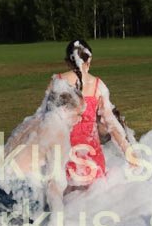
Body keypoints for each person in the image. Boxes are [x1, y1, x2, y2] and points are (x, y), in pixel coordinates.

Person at [0, 77, 86, 226]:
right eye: (79, 114)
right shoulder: (59, 132)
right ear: (65, 109)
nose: (80, 119)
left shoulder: (33, 120)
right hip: (18, 192)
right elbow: (54, 185)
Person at [55, 39, 138, 187]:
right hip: (92, 157)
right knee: (95, 196)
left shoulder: (58, 82)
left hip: (64, 156)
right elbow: (112, 125)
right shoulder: (98, 85)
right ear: (89, 60)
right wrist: (130, 155)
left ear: (67, 62)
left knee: (66, 198)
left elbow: (44, 122)